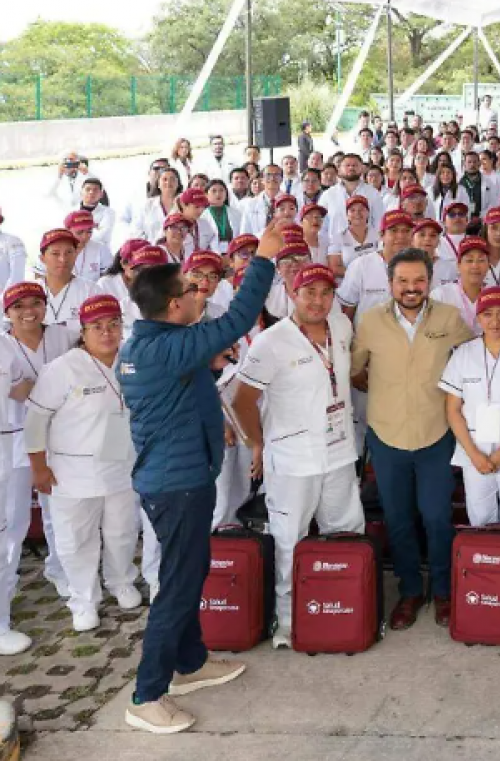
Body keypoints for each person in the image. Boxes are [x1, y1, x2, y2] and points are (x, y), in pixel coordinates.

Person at [118, 218, 283, 734]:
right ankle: (147, 695)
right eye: (188, 290)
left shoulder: (150, 343)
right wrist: (265, 260)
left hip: (176, 477)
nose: (197, 293)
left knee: (187, 571)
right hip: (178, 484)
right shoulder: (169, 347)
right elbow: (237, 318)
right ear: (173, 307)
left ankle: (189, 662)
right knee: (179, 585)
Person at [231, 264, 364, 650]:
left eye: (325, 293)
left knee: (346, 529)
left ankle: (349, 608)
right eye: (309, 293)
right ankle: (289, 623)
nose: (318, 301)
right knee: (290, 540)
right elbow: (242, 401)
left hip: (338, 452)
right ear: (292, 293)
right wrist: (258, 444)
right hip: (291, 460)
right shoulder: (271, 342)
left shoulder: (341, 328)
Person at [351, 247, 473, 631]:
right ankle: (408, 591)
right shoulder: (370, 322)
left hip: (436, 434)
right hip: (387, 437)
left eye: (418, 280)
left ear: (430, 281)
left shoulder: (450, 318)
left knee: (438, 518)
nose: (410, 287)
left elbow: (471, 363)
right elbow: (355, 370)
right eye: (402, 280)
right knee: (399, 520)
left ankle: (442, 591)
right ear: (390, 283)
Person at [24, 294, 140, 636]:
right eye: (97, 327)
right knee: (77, 539)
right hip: (71, 472)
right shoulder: (63, 368)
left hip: (120, 464)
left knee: (122, 531)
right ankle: (83, 600)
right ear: (84, 331)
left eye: (114, 325)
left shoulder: (131, 361)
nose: (107, 333)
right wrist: (39, 467)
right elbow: (35, 421)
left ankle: (120, 581)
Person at [440, 287, 500, 528]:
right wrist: (474, 454)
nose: (495, 321)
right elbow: (453, 410)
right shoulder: (463, 353)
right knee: (480, 519)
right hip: (475, 452)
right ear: (477, 317)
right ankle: (484, 566)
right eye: (488, 314)